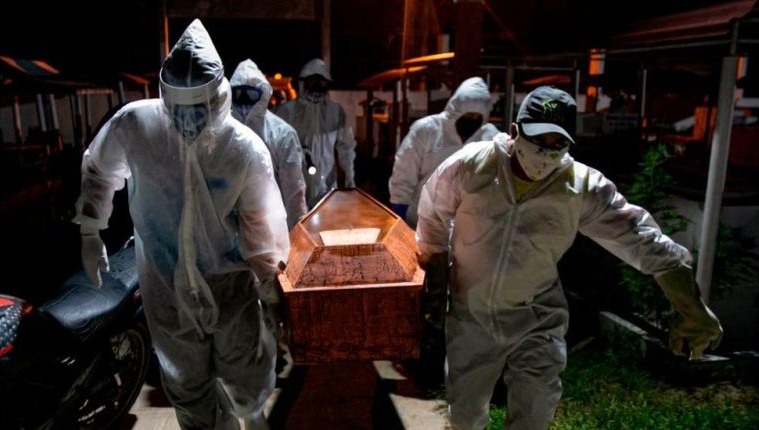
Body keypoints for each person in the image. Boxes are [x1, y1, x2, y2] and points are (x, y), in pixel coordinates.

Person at [415, 85, 723, 430]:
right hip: (473, 314)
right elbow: (432, 214)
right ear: (515, 131)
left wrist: (692, 309)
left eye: (557, 143)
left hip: (536, 315)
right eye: (538, 140)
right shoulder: (473, 165)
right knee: (465, 415)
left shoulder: (579, 187)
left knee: (535, 411)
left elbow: (642, 239)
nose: (546, 152)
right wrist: (436, 280)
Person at [74, 20, 289, 430]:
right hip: (165, 285)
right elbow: (99, 170)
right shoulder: (137, 126)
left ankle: (251, 415)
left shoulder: (243, 149)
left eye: (198, 110)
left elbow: (262, 224)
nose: (188, 121)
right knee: (184, 380)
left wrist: (270, 284)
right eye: (179, 110)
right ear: (165, 100)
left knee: (243, 365)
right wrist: (89, 228)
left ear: (218, 100)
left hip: (229, 284)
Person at [388, 76, 499, 228]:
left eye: (477, 117)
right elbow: (405, 172)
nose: (472, 120)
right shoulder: (427, 130)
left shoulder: (490, 137)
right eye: (468, 115)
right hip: (421, 219)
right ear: (455, 110)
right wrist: (400, 209)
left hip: (468, 225)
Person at [230, 59, 308, 229]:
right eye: (238, 93)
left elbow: (294, 191)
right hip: (232, 230)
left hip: (271, 229)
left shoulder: (282, 134)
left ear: (263, 94)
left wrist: (296, 232)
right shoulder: (223, 132)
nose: (244, 100)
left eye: (250, 94)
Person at [274, 58, 356, 207]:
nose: (317, 87)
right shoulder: (287, 112)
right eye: (312, 82)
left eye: (322, 83)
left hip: (326, 184)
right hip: (295, 184)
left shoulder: (335, 112)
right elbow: (275, 148)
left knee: (325, 218)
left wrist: (349, 176)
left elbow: (346, 146)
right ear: (302, 82)